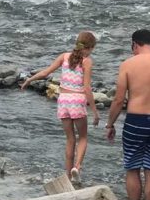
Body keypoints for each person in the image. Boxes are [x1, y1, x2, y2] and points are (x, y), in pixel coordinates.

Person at [106, 29, 150, 200]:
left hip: (136, 120)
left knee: (133, 168)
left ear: (134, 44)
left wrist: (110, 124)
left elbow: (118, 99)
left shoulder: (128, 65)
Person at [20, 31, 100, 180]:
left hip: (63, 100)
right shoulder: (87, 61)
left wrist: (29, 80)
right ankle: (77, 167)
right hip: (77, 101)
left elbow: (45, 73)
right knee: (82, 137)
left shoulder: (64, 56)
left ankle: (67, 175)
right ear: (89, 48)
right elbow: (87, 88)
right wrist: (95, 111)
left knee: (70, 139)